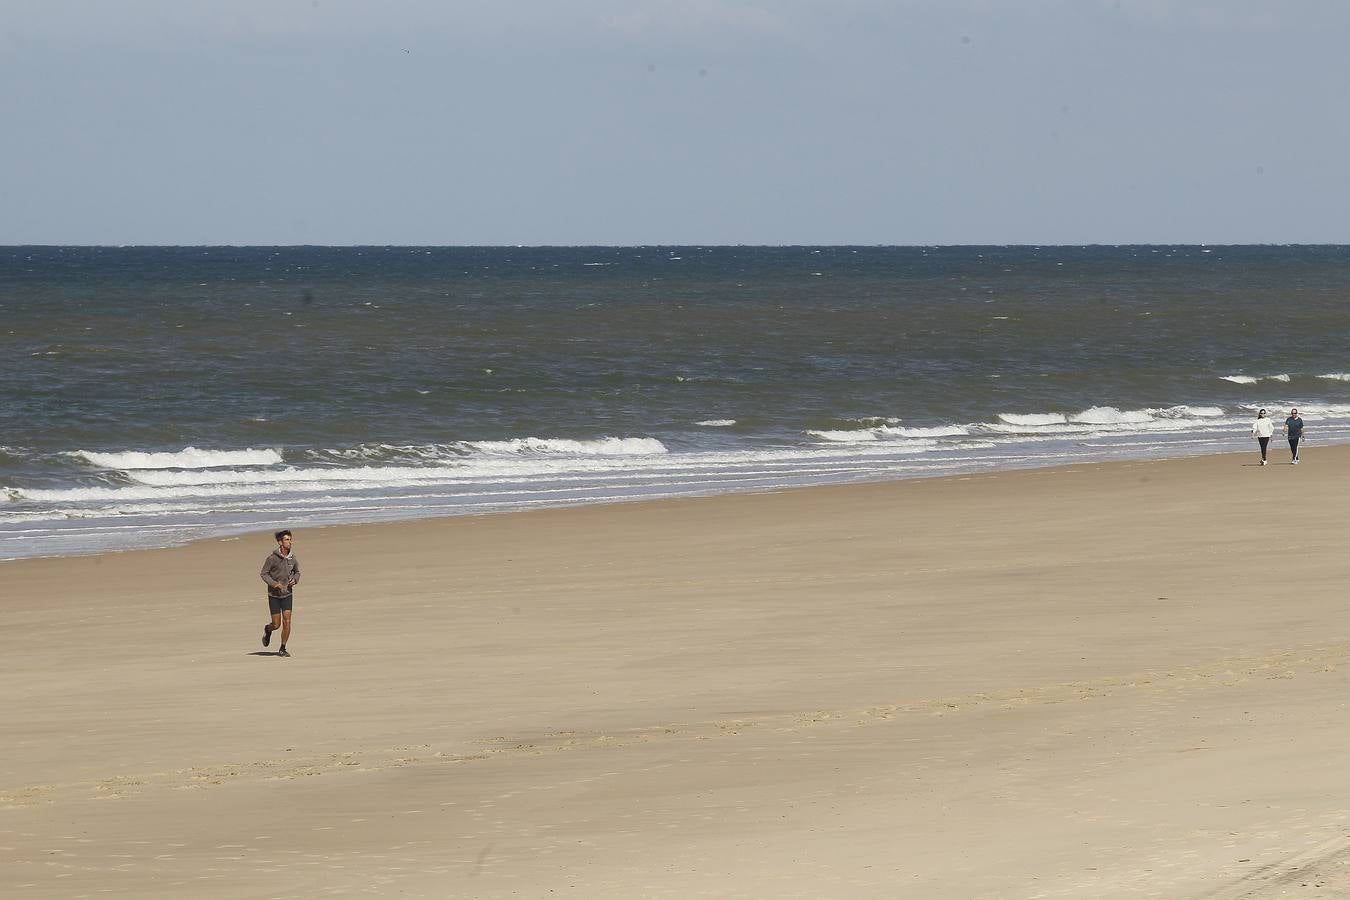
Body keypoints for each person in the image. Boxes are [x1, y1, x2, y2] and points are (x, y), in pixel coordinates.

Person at [260, 529, 300, 657]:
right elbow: (264, 574)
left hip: (287, 594)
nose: (290, 542)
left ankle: (282, 648)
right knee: (276, 624)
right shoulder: (272, 558)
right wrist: (274, 584)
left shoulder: (292, 558)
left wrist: (295, 580)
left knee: (287, 621)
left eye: (290, 539)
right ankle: (268, 629)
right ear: (280, 542)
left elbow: (297, 572)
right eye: (287, 540)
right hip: (274, 595)